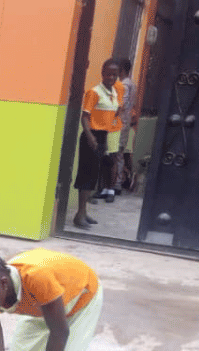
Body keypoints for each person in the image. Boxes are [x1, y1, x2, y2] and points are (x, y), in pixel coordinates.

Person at [72, 59, 121, 229]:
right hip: (90, 136)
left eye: (114, 74)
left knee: (93, 175)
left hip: (102, 136)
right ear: (102, 73)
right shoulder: (94, 92)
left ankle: (83, 212)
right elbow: (85, 117)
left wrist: (105, 139)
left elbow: (111, 115)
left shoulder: (114, 92)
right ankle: (79, 214)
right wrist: (90, 136)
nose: (111, 77)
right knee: (86, 174)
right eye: (108, 74)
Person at [115, 57, 137, 193]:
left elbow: (121, 104)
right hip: (126, 122)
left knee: (116, 154)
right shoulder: (132, 84)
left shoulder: (124, 85)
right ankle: (118, 183)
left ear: (121, 70)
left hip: (120, 122)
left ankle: (115, 184)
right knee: (120, 154)